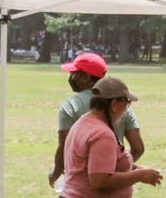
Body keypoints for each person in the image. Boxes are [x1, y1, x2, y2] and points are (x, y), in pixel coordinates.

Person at [50, 51, 143, 187]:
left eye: (74, 73)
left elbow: (64, 147)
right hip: (112, 188)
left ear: (86, 76)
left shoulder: (70, 106)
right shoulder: (121, 104)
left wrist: (55, 173)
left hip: (80, 190)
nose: (71, 78)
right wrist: (116, 167)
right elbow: (138, 148)